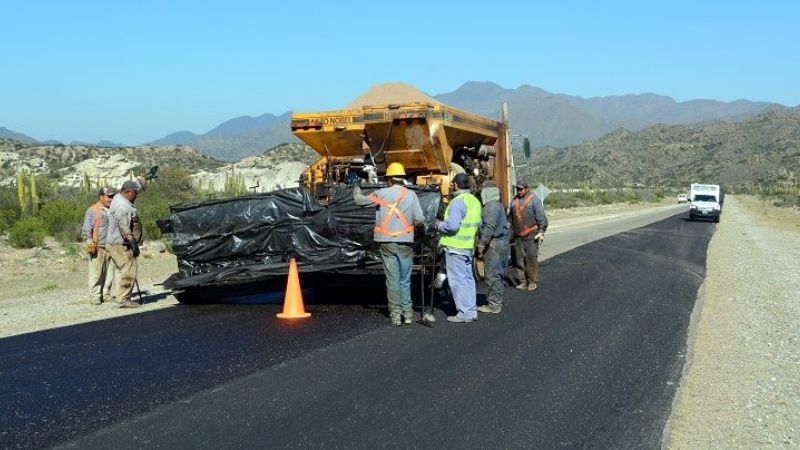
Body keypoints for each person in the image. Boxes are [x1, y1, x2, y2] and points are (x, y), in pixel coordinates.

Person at [353, 162, 425, 326]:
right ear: (402, 179)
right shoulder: (412, 195)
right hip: (405, 241)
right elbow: (420, 220)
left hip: (385, 242)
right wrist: (419, 232)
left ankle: (395, 315)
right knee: (404, 279)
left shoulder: (381, 193)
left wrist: (356, 186)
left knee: (392, 279)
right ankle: (408, 314)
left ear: (389, 180)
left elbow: (359, 201)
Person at [437, 173, 482, 323]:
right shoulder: (474, 201)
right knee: (468, 280)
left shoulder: (457, 202)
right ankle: (471, 310)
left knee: (457, 281)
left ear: (456, 185)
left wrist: (438, 225)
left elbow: (452, 226)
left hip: (455, 247)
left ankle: (464, 313)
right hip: (468, 246)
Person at [106, 180, 144, 308]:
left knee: (121, 270)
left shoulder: (118, 199)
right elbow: (123, 224)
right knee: (129, 269)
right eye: (135, 193)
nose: (137, 196)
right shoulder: (123, 205)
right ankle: (123, 299)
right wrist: (132, 242)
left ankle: (121, 297)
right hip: (121, 244)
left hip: (114, 242)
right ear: (129, 192)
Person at [476, 182, 510, 314]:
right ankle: (496, 301)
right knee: (498, 275)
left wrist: (482, 244)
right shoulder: (498, 205)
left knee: (493, 276)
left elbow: (489, 227)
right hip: (502, 242)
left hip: (494, 244)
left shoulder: (491, 207)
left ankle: (494, 305)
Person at [81, 187, 117, 305]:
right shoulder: (92, 210)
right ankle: (95, 296)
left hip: (111, 246)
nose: (111, 199)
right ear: (101, 197)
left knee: (110, 273)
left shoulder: (113, 210)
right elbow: (87, 228)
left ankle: (106, 294)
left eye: (112, 196)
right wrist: (89, 240)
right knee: (96, 272)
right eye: (109, 196)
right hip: (98, 246)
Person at [510, 182, 548, 291]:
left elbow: (541, 217)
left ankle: (532, 281)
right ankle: (522, 282)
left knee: (531, 257)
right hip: (518, 235)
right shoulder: (513, 201)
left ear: (527, 188)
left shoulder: (534, 200)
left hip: (532, 234)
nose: (519, 191)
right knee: (519, 259)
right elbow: (510, 218)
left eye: (521, 189)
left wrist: (541, 230)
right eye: (518, 189)